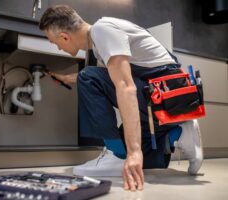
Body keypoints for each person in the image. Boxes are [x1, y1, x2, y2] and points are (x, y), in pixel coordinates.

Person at [39, 5, 203, 191]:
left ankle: (115, 154)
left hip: (165, 98)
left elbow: (126, 87)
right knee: (145, 159)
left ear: (64, 37)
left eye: (55, 43)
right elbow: (115, 76)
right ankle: (179, 133)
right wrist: (67, 78)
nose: (58, 48)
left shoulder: (103, 30)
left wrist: (133, 153)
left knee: (88, 78)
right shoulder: (103, 35)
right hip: (168, 99)